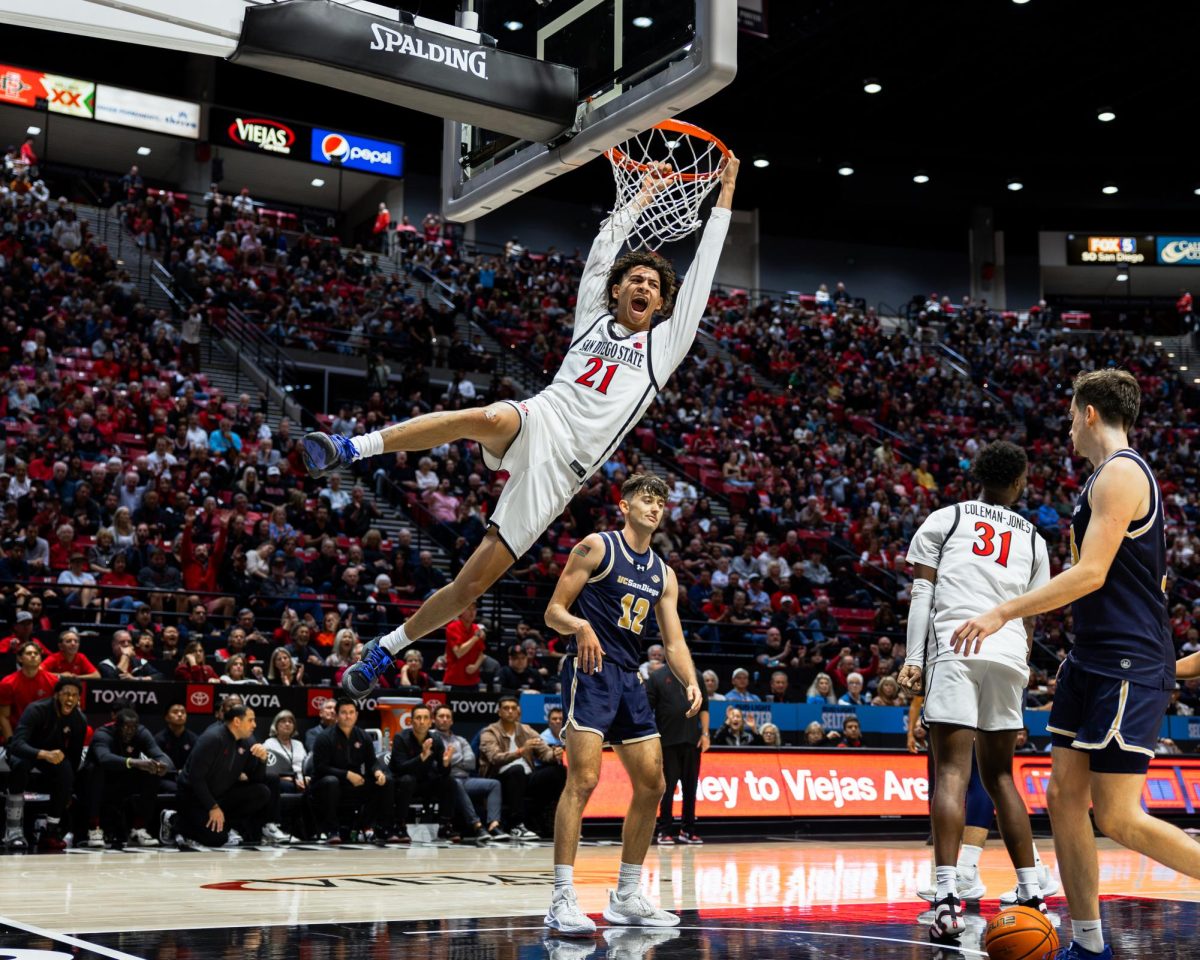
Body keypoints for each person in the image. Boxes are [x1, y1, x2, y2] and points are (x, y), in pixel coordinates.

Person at [308, 157, 740, 699]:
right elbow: (605, 247)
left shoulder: (662, 348)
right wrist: (635, 199)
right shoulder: (593, 315)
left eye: (654, 284)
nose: (644, 286)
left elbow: (700, 279)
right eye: (635, 278)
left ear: (660, 302)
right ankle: (350, 447)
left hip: (562, 472)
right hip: (542, 416)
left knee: (470, 584)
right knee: (484, 417)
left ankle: (384, 651)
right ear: (617, 291)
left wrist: (723, 198)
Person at [952, 371, 1200, 960]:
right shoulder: (1099, 481)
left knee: (1116, 815)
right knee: (1063, 798)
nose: (1065, 425)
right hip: (1091, 658)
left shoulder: (1121, 472)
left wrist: (1001, 612)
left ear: (1089, 413)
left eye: (1069, 414)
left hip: (1123, 661)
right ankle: (1088, 943)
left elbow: (1090, 574)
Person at [898, 440, 1052, 941]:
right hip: (1008, 656)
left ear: (979, 476)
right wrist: (1021, 664)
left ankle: (946, 897)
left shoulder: (946, 518)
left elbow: (922, 595)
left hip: (957, 646)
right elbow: (1031, 614)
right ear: (1018, 482)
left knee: (951, 771)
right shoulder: (1034, 537)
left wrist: (913, 661)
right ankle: (1032, 890)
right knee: (1002, 776)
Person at [542, 473, 702, 934]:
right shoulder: (597, 547)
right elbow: (553, 611)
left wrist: (690, 681)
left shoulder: (663, 574)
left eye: (661, 502)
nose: (655, 508)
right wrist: (580, 626)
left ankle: (627, 895)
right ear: (624, 505)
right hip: (590, 671)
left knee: (654, 783)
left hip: (629, 677)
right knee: (584, 779)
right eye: (646, 500)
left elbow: (673, 641)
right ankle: (561, 896)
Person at [174, 703, 274, 850]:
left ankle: (227, 827)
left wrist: (262, 760)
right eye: (250, 720)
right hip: (193, 797)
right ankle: (175, 820)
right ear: (237, 721)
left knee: (261, 792)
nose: (255, 725)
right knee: (216, 839)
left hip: (220, 794)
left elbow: (256, 779)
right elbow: (196, 778)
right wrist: (213, 806)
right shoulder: (212, 738)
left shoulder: (248, 742)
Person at [4, 677, 87, 850]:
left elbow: (74, 757)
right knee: (20, 766)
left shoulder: (79, 720)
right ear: (57, 695)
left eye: (75, 695)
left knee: (66, 771)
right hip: (26, 751)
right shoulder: (36, 709)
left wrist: (68, 789)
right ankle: (13, 830)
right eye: (66, 694)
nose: (70, 699)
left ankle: (50, 831)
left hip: (50, 756)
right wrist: (43, 754)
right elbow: (16, 744)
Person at [82, 706, 173, 848]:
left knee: (152, 771)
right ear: (116, 725)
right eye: (126, 727)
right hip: (96, 783)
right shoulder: (103, 733)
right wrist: (134, 762)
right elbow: (104, 758)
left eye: (133, 727)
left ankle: (138, 830)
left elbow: (160, 755)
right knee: (96, 769)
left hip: (124, 781)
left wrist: (163, 765)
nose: (130, 731)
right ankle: (94, 828)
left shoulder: (141, 732)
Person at [310, 699, 398, 844]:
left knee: (386, 781)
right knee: (332, 782)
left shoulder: (363, 736)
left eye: (351, 713)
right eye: (344, 713)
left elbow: (372, 762)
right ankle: (332, 830)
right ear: (337, 716)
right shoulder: (324, 737)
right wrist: (347, 775)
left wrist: (377, 772)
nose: (348, 716)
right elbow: (320, 768)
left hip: (355, 783)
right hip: (325, 784)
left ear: (356, 715)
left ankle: (379, 827)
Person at [390, 704, 480, 842]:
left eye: (425, 718)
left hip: (426, 783)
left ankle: (445, 825)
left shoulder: (435, 739)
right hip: (404, 784)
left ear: (430, 721)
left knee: (449, 781)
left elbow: (443, 773)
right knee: (408, 780)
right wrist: (421, 757)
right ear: (411, 721)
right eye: (418, 718)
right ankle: (399, 825)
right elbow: (400, 768)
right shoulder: (401, 738)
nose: (422, 721)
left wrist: (445, 763)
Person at [478, 695, 562, 841]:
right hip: (499, 780)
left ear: (518, 712)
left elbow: (544, 752)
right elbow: (495, 758)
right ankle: (516, 825)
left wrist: (554, 754)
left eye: (513, 708)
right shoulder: (489, 733)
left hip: (525, 777)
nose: (510, 711)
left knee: (558, 772)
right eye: (506, 708)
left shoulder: (526, 730)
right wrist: (521, 751)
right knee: (517, 770)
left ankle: (549, 820)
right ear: (499, 712)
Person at [647, 651, 709, 845]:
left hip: (692, 741)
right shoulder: (657, 676)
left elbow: (704, 707)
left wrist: (705, 734)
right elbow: (648, 709)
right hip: (667, 742)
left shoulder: (696, 676)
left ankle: (688, 830)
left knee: (691, 788)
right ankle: (664, 830)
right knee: (667, 788)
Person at [431, 704, 504, 839]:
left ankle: (494, 824)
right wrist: (457, 759)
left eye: (448, 717)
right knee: (454, 782)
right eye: (441, 716)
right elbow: (436, 763)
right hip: (445, 781)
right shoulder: (431, 738)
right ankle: (477, 825)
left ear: (452, 721)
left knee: (494, 784)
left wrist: (450, 759)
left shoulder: (460, 740)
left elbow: (470, 762)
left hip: (466, 779)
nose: (445, 719)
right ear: (434, 720)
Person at [0, 641, 59, 742]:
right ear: (19, 658)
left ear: (40, 658)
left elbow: (58, 712)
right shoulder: (7, 683)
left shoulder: (53, 681)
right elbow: (4, 716)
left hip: (46, 736)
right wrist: (11, 742)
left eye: (36, 653)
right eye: (28, 653)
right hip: (18, 735)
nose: (33, 656)